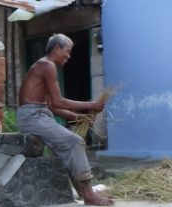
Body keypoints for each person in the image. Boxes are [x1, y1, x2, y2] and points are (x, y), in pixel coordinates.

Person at [17, 33, 114, 206]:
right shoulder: (46, 65)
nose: (68, 57)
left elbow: (53, 108)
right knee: (74, 142)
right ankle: (89, 196)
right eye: (67, 52)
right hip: (32, 117)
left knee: (68, 148)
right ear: (56, 49)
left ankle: (83, 193)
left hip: (39, 115)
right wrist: (91, 104)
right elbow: (58, 101)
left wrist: (79, 117)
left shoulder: (46, 67)